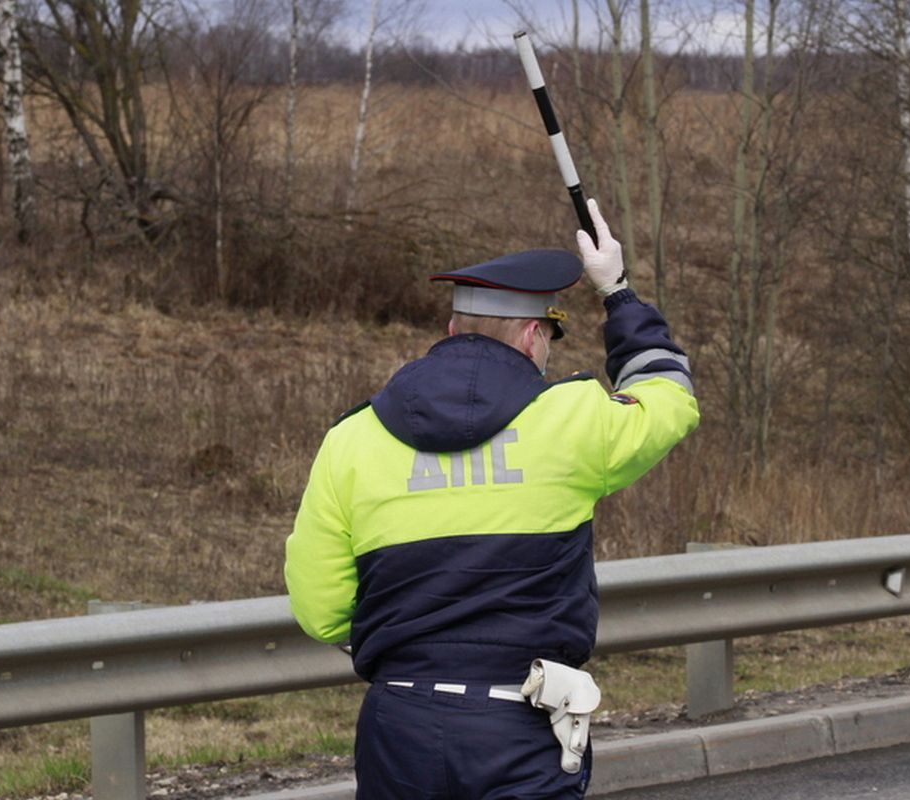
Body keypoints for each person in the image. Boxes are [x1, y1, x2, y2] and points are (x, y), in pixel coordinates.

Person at [284, 200, 700, 799]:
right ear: (535, 334)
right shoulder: (573, 423)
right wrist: (618, 291)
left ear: (452, 330)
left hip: (399, 724)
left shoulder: (352, 438)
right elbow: (668, 394)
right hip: (518, 725)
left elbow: (320, 607)